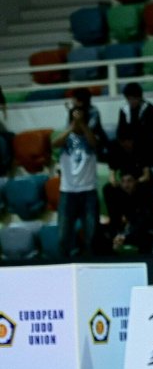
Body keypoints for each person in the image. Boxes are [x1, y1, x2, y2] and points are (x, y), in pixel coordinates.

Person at [53, 105, 99, 257]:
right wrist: (72, 126)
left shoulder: (91, 135)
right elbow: (54, 144)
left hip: (88, 191)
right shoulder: (65, 137)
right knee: (63, 236)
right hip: (68, 191)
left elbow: (94, 144)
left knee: (91, 236)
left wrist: (82, 125)